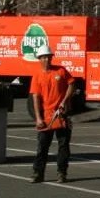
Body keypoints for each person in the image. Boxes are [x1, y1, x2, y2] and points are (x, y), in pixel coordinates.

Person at [29, 44, 75, 184]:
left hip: (61, 115)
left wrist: (65, 101)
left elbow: (72, 84)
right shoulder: (37, 75)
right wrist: (38, 118)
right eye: (44, 57)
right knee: (42, 146)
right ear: (39, 59)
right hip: (46, 116)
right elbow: (36, 97)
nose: (47, 60)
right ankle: (38, 173)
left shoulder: (61, 71)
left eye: (49, 57)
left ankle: (62, 173)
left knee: (63, 146)